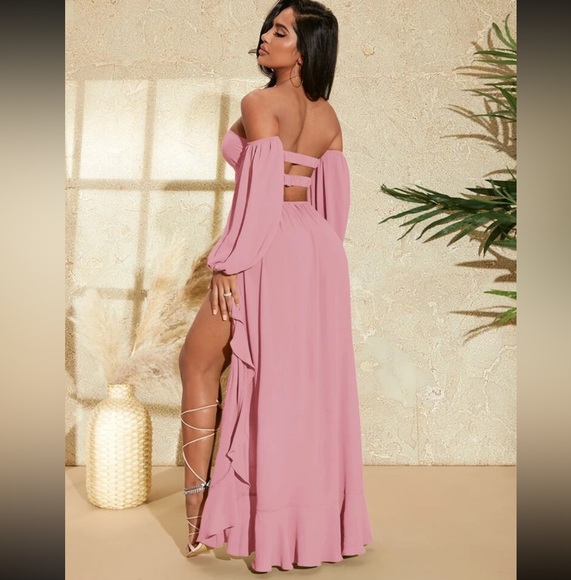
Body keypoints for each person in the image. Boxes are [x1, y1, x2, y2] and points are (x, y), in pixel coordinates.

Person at [178, 0, 373, 572]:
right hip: (318, 249)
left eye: (281, 31)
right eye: (269, 26)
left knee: (197, 363)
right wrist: (314, 264)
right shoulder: (328, 116)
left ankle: (197, 520)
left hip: (268, 242)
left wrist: (228, 262)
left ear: (305, 49)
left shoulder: (260, 103)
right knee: (296, 385)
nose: (266, 36)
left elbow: (259, 191)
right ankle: (299, 525)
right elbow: (332, 203)